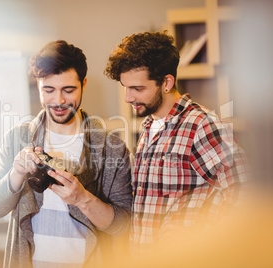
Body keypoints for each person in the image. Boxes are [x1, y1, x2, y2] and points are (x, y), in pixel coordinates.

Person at [0, 40, 132, 268]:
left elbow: (124, 225)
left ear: (83, 84)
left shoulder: (111, 148)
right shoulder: (17, 138)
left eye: (68, 90)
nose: (59, 101)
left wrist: (83, 199)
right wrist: (15, 173)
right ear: (38, 87)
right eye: (49, 90)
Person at [104, 31, 248, 250]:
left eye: (137, 88)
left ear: (166, 82)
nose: (128, 97)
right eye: (126, 87)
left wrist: (201, 232)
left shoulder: (201, 125)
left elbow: (245, 190)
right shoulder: (150, 126)